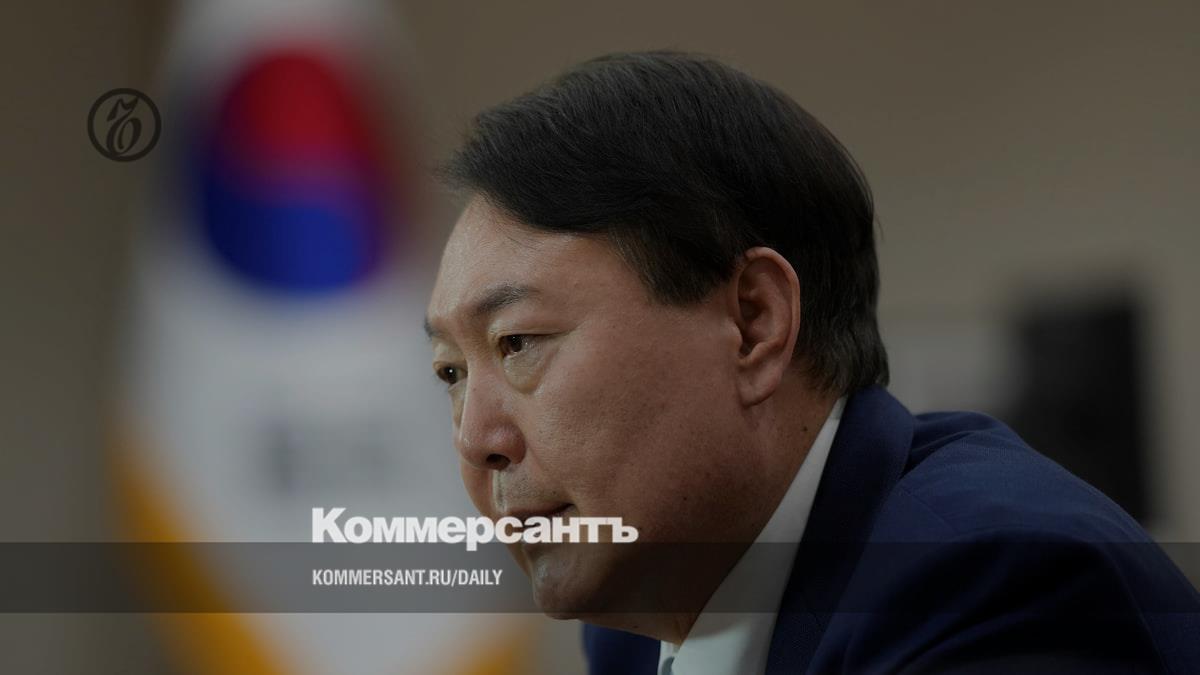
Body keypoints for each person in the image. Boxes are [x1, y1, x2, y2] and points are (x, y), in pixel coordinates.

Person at [423, 51, 1200, 674]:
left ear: (753, 322)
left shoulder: (992, 585)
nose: (475, 440)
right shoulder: (634, 632)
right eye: (451, 373)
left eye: (517, 342)